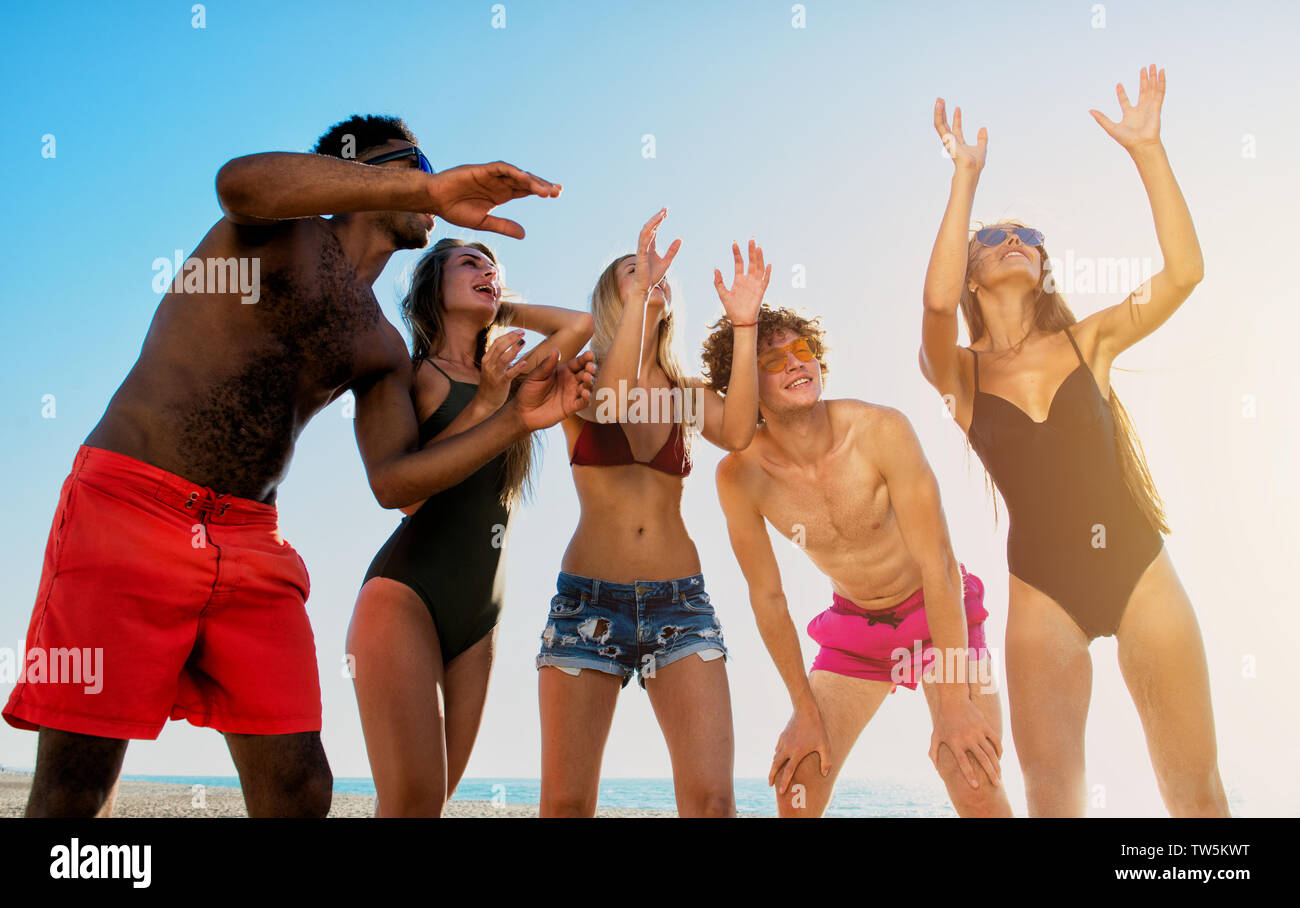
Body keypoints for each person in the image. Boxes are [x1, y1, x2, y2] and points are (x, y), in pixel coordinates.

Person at [2, 114, 594, 817]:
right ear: (365, 172)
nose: (432, 180)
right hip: (130, 503)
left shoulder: (377, 341)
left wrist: (512, 421)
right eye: (415, 163)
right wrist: (432, 188)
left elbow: (394, 482)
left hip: (251, 538)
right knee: (76, 786)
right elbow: (239, 182)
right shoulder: (276, 229)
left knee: (302, 788)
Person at [919, 66, 1228, 816]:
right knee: (1053, 794)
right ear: (972, 274)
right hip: (1042, 593)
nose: (1015, 240)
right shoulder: (957, 373)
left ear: (1045, 264)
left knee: (1194, 789)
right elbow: (932, 300)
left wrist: (1148, 150)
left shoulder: (1091, 342)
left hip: (1139, 568)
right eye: (995, 238)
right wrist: (965, 179)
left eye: (1029, 235)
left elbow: (1185, 272)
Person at [711, 306, 1010, 817]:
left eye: (802, 351)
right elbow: (767, 597)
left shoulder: (880, 430)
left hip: (939, 614)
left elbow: (939, 565)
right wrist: (804, 710)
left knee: (968, 769)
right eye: (772, 358)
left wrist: (956, 700)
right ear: (742, 383)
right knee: (797, 783)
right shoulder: (739, 476)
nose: (795, 364)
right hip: (858, 628)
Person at [536, 210, 770, 817]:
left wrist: (744, 327)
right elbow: (610, 409)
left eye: (658, 273)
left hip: (679, 603)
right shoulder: (580, 376)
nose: (653, 275)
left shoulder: (685, 389)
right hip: (589, 604)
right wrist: (642, 299)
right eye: (633, 273)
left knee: (714, 801)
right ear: (612, 297)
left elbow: (740, 431)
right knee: (565, 804)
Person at [349, 238, 594, 816]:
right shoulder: (418, 376)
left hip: (481, 614)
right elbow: (405, 497)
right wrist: (485, 404)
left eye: (494, 266)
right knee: (410, 800)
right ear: (433, 287)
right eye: (470, 264)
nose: (488, 270)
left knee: (431, 802)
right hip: (405, 593)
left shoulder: (513, 376)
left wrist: (499, 302)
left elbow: (580, 323)